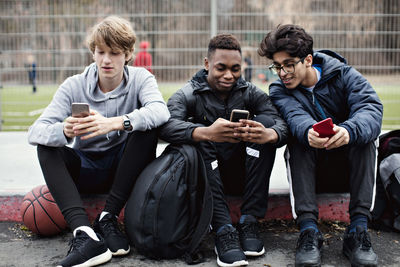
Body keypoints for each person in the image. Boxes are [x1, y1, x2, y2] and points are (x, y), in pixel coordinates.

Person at [27, 16, 170, 267]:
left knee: (146, 130)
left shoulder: (140, 78)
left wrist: (116, 122)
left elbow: (161, 111)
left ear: (127, 54)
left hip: (126, 169)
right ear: (92, 52)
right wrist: (65, 130)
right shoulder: (74, 85)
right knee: (47, 147)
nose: (106, 60)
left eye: (114, 53)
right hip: (86, 168)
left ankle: (108, 216)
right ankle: (85, 234)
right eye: (100, 52)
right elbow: (35, 131)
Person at [258, 24, 383, 267]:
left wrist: (347, 131)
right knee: (299, 140)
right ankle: (308, 231)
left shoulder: (344, 75)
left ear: (308, 59)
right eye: (277, 66)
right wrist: (308, 131)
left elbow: (371, 109)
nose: (282, 73)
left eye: (289, 64)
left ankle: (358, 231)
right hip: (313, 172)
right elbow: (294, 117)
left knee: (364, 138)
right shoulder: (279, 90)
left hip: (350, 170)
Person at [159, 33, 288, 267]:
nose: (229, 75)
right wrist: (205, 132)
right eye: (221, 68)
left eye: (235, 69)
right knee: (198, 135)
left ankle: (249, 221)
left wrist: (269, 134)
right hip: (205, 180)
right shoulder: (187, 94)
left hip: (244, 175)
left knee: (264, 127)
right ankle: (223, 228)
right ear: (207, 64)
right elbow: (166, 127)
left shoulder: (249, 92)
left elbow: (281, 124)